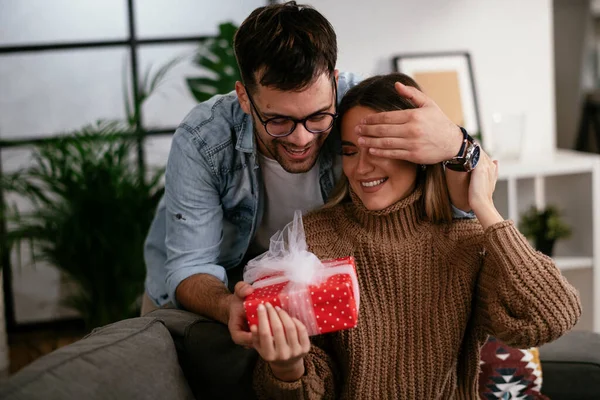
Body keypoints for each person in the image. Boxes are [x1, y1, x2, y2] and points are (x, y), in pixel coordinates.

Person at [142, 1, 478, 351]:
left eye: (318, 117)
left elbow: (455, 213)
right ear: (244, 97)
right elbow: (190, 264)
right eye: (279, 121)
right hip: (212, 293)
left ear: (333, 82)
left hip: (321, 289)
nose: (301, 138)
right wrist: (229, 304)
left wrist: (457, 144)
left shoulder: (363, 106)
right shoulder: (203, 139)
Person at [249, 73, 582, 399]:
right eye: (349, 151)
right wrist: (289, 368)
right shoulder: (317, 237)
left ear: (420, 153)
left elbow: (551, 317)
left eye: (378, 148)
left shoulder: (464, 244)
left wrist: (484, 206)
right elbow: (311, 385)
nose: (360, 168)